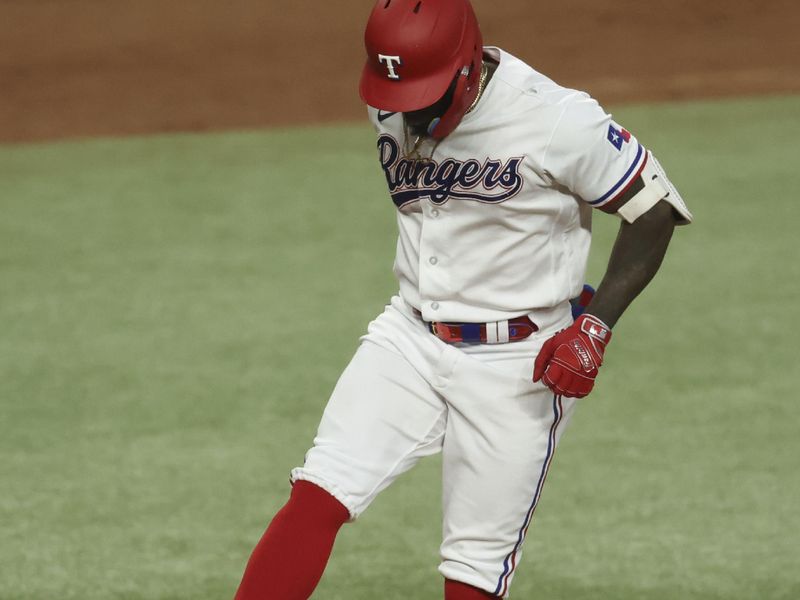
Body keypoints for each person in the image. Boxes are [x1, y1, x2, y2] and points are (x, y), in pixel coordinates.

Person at [234, 0, 692, 598]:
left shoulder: (556, 120)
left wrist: (595, 326)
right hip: (409, 336)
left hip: (520, 362)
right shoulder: (390, 99)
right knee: (318, 491)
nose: (410, 113)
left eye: (426, 95)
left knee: (473, 567)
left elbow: (654, 212)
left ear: (468, 66)